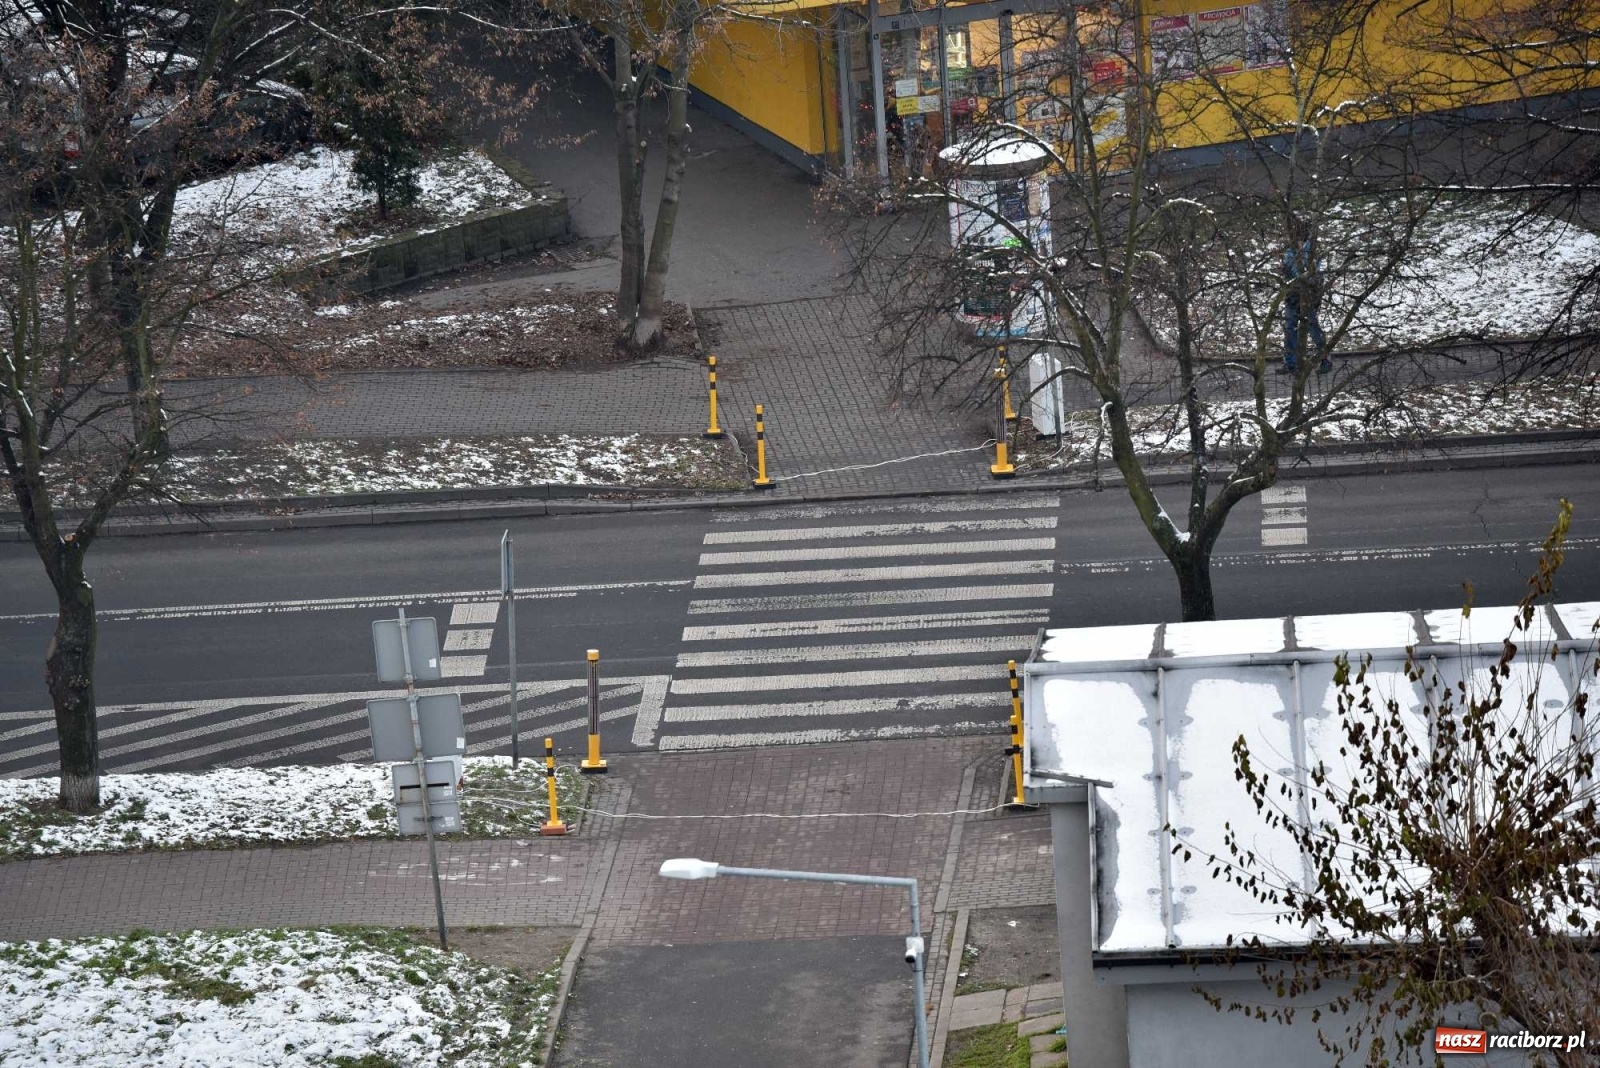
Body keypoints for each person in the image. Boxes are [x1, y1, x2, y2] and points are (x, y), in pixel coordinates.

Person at [1281, 224, 1333, 375]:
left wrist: (1310, 284)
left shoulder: (1312, 253)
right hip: (1292, 296)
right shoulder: (1290, 252)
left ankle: (1325, 359)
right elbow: (1289, 272)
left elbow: (1314, 274)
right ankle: (1291, 363)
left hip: (1308, 296)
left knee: (1312, 328)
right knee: (1290, 327)